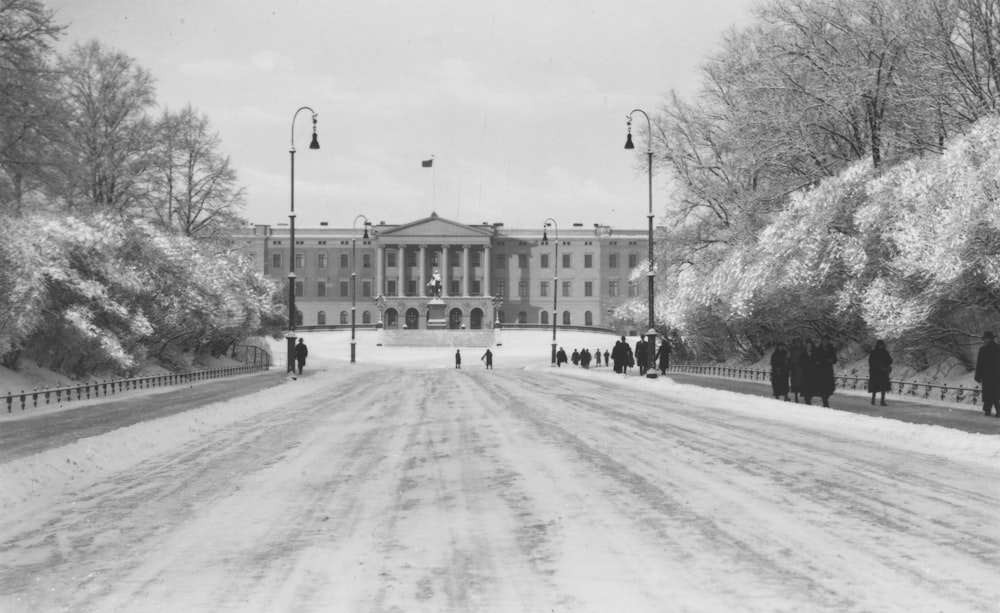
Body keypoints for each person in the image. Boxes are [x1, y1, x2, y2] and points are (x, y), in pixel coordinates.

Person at [974, 331, 1000, 417]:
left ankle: (989, 410)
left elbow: (980, 364)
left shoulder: (983, 350)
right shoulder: (998, 348)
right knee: (995, 393)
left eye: (985, 339)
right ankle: (991, 410)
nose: (984, 340)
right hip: (997, 376)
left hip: (987, 376)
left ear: (989, 339)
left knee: (989, 393)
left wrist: (978, 376)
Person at [815, 335, 838, 407]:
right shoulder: (818, 349)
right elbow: (816, 358)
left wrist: (832, 360)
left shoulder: (831, 349)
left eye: (827, 340)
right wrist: (819, 362)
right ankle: (825, 402)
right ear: (822, 341)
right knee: (822, 387)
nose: (825, 342)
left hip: (828, 370)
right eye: (824, 340)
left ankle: (825, 399)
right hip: (821, 370)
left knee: (829, 388)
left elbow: (835, 359)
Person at [868, 340, 893, 406]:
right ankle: (873, 399)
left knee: (883, 387)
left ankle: (882, 400)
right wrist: (878, 365)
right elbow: (871, 362)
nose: (881, 346)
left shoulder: (885, 352)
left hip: (882, 372)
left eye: (882, 345)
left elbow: (890, 360)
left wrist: (883, 364)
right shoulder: (874, 352)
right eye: (881, 345)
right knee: (875, 387)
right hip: (876, 372)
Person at [788, 338, 805, 403]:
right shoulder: (792, 350)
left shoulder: (803, 350)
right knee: (795, 383)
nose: (798, 344)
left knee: (801, 382)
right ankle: (796, 396)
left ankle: (803, 394)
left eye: (799, 342)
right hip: (794, 368)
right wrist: (790, 369)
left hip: (801, 368)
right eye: (797, 342)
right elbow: (790, 359)